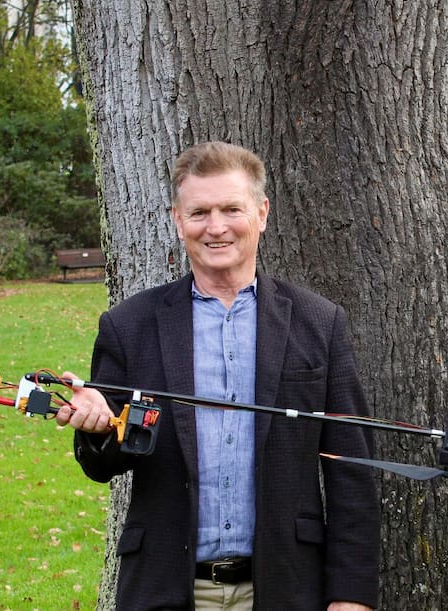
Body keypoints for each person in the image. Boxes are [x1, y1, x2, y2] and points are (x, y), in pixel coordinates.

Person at [56, 141, 380, 611]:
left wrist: (352, 597)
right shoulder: (129, 326)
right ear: (177, 219)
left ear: (262, 213)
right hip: (167, 586)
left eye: (232, 209)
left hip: (287, 588)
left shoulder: (319, 323)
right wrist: (97, 429)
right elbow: (102, 464)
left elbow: (351, 469)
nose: (216, 227)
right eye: (199, 212)